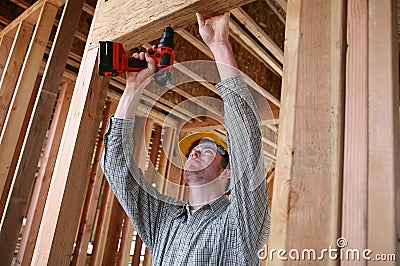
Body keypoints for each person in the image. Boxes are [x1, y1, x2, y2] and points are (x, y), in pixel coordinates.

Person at [101, 12, 270, 265]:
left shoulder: (240, 224)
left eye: (209, 149)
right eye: (193, 149)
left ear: (229, 173)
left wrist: (220, 46)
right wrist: (132, 89)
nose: (195, 152)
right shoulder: (164, 220)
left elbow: (246, 142)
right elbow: (116, 169)